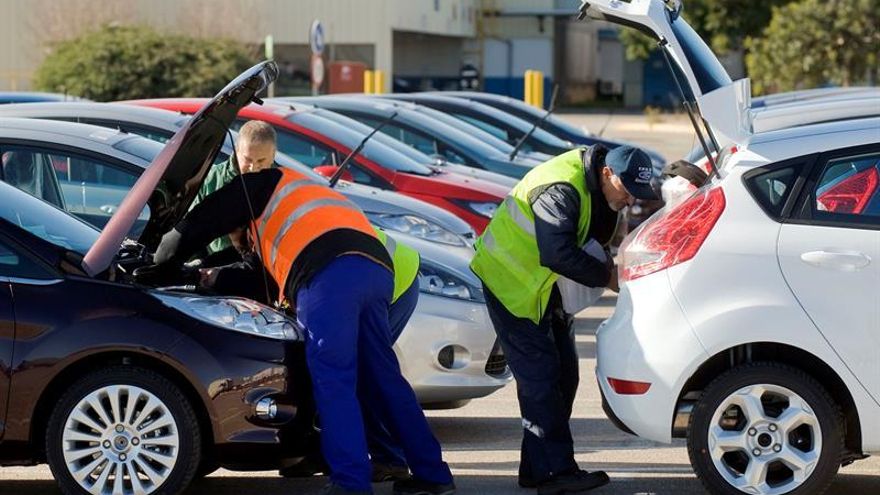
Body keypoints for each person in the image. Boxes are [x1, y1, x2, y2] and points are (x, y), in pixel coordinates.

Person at [148, 166, 455, 495]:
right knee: (384, 378)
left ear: (239, 220)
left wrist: (159, 260)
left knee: (333, 380)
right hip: (376, 269)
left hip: (328, 276)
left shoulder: (255, 186)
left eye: (237, 239)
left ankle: (350, 483)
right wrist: (199, 276)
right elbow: (255, 272)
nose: (240, 245)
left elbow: (201, 222)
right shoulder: (300, 193)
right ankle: (433, 475)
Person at [470, 145, 662, 495]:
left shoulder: (593, 184)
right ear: (608, 174)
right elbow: (556, 251)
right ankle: (556, 474)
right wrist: (608, 278)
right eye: (627, 191)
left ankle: (536, 469)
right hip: (510, 284)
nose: (629, 201)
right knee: (541, 379)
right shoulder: (561, 188)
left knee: (564, 376)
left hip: (542, 289)